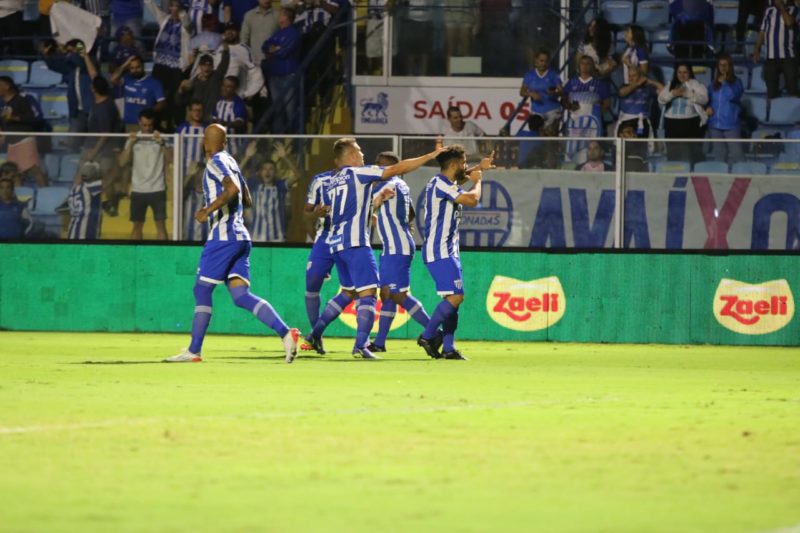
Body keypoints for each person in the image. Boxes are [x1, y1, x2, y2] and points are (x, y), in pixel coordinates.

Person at [165, 123, 301, 363]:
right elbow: (245, 196)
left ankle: (194, 350)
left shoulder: (215, 161)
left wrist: (207, 210)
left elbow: (233, 189)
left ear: (205, 142)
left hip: (224, 236)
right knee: (240, 295)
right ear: (225, 142)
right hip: (241, 235)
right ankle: (285, 333)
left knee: (202, 289)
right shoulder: (231, 160)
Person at [304, 138, 445, 360]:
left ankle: (314, 334)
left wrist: (376, 202)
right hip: (356, 244)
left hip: (336, 243)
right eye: (359, 151)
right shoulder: (358, 174)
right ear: (350, 156)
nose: (363, 156)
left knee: (348, 292)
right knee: (369, 294)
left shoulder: (333, 181)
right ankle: (361, 345)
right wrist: (429, 156)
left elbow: (352, 207)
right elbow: (397, 169)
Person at [416, 145, 494, 361]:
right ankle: (428, 335)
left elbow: (460, 181)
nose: (466, 166)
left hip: (448, 250)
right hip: (438, 251)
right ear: (453, 165)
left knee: (453, 300)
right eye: (464, 162)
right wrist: (479, 180)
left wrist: (481, 168)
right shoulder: (441, 184)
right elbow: (472, 199)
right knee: (456, 297)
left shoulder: (443, 182)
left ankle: (449, 348)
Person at [367, 151, 435, 353]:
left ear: (391, 166)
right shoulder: (400, 185)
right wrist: (405, 224)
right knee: (387, 294)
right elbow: (411, 211)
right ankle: (379, 343)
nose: (377, 167)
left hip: (398, 248)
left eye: (381, 164)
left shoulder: (389, 185)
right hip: (393, 247)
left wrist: (373, 206)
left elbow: (368, 205)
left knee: (398, 294)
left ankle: (433, 332)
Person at [119, 108, 170, 240]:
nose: (147, 128)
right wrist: (130, 144)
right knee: (137, 226)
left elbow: (172, 159)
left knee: (161, 226)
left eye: (150, 125)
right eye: (144, 125)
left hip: (157, 188)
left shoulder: (161, 137)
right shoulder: (133, 138)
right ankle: (135, 258)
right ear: (139, 123)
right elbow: (122, 162)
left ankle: (165, 257)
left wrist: (162, 144)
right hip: (138, 189)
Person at [144, 0, 192, 130]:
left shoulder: (186, 27)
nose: (173, 9)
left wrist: (180, 9)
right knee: (158, 96)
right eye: (172, 6)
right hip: (160, 66)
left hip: (176, 68)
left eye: (177, 6)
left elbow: (186, 20)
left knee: (174, 100)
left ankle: (174, 127)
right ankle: (156, 124)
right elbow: (151, 6)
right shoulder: (164, 20)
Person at [240, 140, 299, 242]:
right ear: (260, 172)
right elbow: (233, 175)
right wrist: (247, 156)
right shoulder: (254, 185)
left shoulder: (280, 187)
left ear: (275, 172)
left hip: (278, 238)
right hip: (256, 238)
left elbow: (297, 176)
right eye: (264, 169)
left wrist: (285, 157)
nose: (267, 172)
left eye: (271, 169)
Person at [301, 167, 335, 345]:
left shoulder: (362, 178)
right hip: (325, 238)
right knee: (312, 282)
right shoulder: (321, 180)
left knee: (355, 291)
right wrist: (315, 213)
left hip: (352, 240)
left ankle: (362, 342)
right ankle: (317, 337)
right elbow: (305, 214)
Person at [84, 75, 125, 216]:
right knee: (87, 176)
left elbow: (105, 133)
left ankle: (112, 205)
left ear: (94, 88)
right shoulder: (97, 102)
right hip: (93, 147)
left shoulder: (106, 107)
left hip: (104, 150)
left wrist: (94, 152)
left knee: (107, 177)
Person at [261, 6, 301, 134]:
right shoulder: (277, 33)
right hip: (275, 75)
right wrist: (274, 49)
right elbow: (265, 46)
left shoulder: (293, 33)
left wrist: (274, 51)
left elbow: (284, 52)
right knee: (277, 108)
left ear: (286, 17)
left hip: (288, 74)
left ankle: (294, 138)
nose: (278, 18)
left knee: (290, 108)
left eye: (281, 15)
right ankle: (279, 137)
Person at [658, 62, 708, 162]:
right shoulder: (670, 84)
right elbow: (660, 99)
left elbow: (704, 99)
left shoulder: (696, 85)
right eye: (679, 72)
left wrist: (688, 94)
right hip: (671, 123)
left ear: (689, 73)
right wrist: (672, 94)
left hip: (689, 123)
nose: (682, 75)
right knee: (672, 153)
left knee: (688, 154)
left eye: (685, 72)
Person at [753, 0, 800, 99]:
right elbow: (762, 31)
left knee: (792, 89)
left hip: (788, 56)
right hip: (770, 57)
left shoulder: (795, 10)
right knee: (771, 91)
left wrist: (782, 7)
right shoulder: (769, 11)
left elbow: (789, 22)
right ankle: (772, 112)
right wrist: (757, 48)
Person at [111, 55, 167, 130]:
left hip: (146, 125)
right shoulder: (126, 79)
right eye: (132, 68)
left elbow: (162, 102)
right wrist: (125, 64)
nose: (135, 70)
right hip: (129, 124)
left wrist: (150, 112)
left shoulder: (154, 83)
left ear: (143, 66)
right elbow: (113, 79)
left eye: (138, 67)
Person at [706, 54, 744, 162]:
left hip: (731, 125)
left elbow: (733, 96)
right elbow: (708, 100)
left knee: (737, 155)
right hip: (714, 125)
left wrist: (725, 83)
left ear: (730, 67)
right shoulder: (713, 84)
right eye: (720, 65)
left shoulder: (737, 82)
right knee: (719, 156)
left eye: (725, 65)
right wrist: (707, 107)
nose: (723, 67)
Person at [561, 55, 611, 136]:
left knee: (592, 146)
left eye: (588, 64)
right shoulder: (571, 82)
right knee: (573, 146)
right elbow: (563, 100)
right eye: (582, 63)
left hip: (593, 124)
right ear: (579, 66)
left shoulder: (600, 84)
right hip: (575, 122)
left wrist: (596, 114)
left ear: (593, 66)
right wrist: (570, 106)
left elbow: (607, 103)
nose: (585, 66)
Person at [179, 47, 230, 120]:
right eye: (204, 65)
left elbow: (224, 64)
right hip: (199, 119)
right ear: (200, 66)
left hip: (214, 118)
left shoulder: (217, 77)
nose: (207, 68)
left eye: (209, 65)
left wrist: (226, 51)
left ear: (212, 67)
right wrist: (180, 89)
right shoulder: (194, 82)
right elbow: (180, 101)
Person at [520, 49, 563, 128]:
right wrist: (531, 94)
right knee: (536, 136)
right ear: (536, 61)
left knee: (551, 137)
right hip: (536, 111)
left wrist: (554, 93)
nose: (543, 64)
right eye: (541, 61)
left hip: (552, 109)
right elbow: (522, 92)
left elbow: (561, 91)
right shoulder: (529, 75)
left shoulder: (553, 74)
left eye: (546, 61)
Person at [616, 66, 663, 137]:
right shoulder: (624, 86)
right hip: (627, 122)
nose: (631, 78)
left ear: (640, 76)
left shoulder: (647, 88)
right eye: (629, 76)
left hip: (643, 121)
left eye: (634, 76)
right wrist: (637, 84)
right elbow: (622, 93)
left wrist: (651, 81)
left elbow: (663, 90)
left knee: (642, 146)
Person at [67, 161, 103, 240]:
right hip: (85, 235)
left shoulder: (74, 188)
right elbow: (109, 180)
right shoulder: (90, 187)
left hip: (72, 233)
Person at [212, 75, 247, 155]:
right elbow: (213, 119)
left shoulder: (238, 104)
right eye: (224, 85)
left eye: (229, 87)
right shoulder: (219, 103)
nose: (224, 89)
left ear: (235, 89)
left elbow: (240, 123)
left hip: (234, 149)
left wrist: (226, 124)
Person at [175, 99, 208, 180]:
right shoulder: (182, 128)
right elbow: (175, 149)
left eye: (200, 110)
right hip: (184, 172)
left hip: (202, 173)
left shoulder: (208, 129)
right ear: (190, 111)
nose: (197, 113)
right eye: (194, 110)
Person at [241, 0, 277, 65]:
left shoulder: (278, 15)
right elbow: (244, 38)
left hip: (273, 60)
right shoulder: (249, 15)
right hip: (255, 61)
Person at [0, 174, 32, 240]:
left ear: (12, 190)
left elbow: (29, 226)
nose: (4, 191)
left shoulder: (21, 207)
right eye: (1, 188)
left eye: (8, 187)